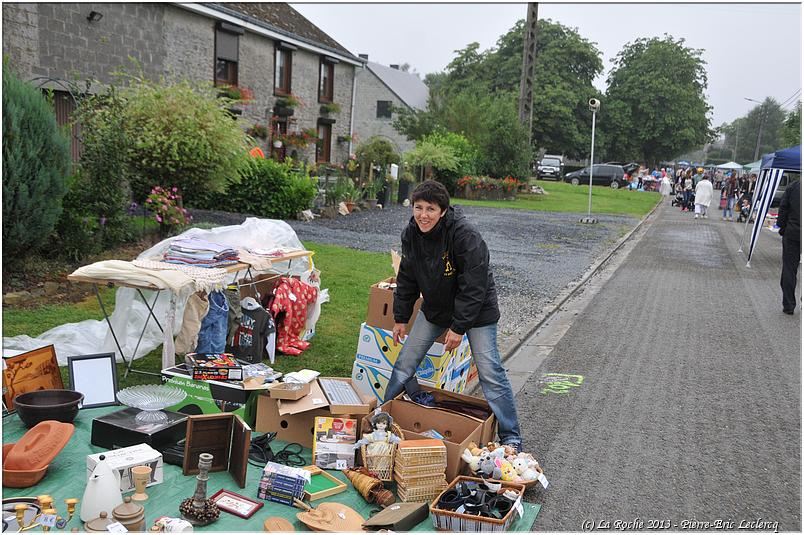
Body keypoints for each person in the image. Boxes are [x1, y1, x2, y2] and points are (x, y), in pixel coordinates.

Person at [384, 180, 522, 451]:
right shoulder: (411, 234)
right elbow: (408, 277)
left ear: (444, 211)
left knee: (490, 372)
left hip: (478, 310)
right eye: (418, 208)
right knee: (405, 363)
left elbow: (475, 285)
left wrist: (459, 328)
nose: (423, 215)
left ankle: (511, 436)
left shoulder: (464, 234)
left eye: (431, 209)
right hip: (436, 308)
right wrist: (401, 317)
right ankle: (382, 418)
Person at [777, 179, 800, 315]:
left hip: (793, 233)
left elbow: (783, 207)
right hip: (793, 232)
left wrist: (782, 227)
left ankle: (789, 304)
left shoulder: (794, 186)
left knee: (789, 269)